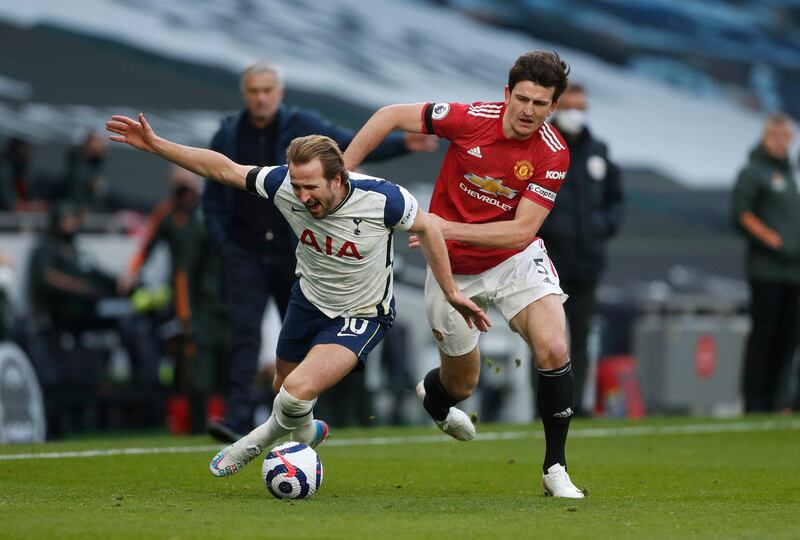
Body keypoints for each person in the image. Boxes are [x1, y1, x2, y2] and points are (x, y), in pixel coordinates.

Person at [105, 113, 489, 478]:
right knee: (284, 390)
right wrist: (157, 145)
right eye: (297, 186)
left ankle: (257, 441)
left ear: (339, 179)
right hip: (306, 300)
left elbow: (429, 229)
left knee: (295, 391)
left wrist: (451, 290)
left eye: (311, 187)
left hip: (362, 313)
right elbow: (223, 169)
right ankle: (306, 435)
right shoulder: (284, 186)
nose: (302, 196)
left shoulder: (384, 200)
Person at [343, 50, 585, 498]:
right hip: (452, 267)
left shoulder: (553, 153)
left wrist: (438, 225)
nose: (529, 111)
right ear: (507, 94)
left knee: (553, 347)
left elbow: (522, 229)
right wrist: (343, 172)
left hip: (515, 259)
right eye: (523, 99)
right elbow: (390, 115)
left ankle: (555, 469)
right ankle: (435, 399)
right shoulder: (470, 118)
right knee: (462, 384)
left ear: (554, 107)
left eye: (541, 103)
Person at [203, 61, 437, 442]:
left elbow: (345, 152)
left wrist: (399, 145)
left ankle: (309, 414)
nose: (261, 97)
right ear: (245, 94)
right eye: (253, 91)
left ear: (279, 93)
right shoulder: (229, 133)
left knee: (307, 355)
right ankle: (237, 415)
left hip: (291, 254)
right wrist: (222, 243)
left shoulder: (303, 127)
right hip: (243, 251)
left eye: (267, 90)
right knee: (245, 334)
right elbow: (219, 181)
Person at [122, 167, 229, 433]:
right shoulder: (167, 214)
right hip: (182, 295)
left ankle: (220, 420)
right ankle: (182, 420)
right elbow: (147, 246)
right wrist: (131, 275)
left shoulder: (207, 214)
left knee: (217, 362)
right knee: (184, 363)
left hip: (213, 298)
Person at [539, 84, 623, 415]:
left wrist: (604, 227)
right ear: (558, 108)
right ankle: (544, 408)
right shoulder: (543, 146)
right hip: (551, 262)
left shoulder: (597, 150)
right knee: (548, 340)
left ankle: (576, 406)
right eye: (571, 107)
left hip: (588, 261)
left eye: (582, 107)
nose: (577, 114)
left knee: (582, 337)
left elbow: (615, 198)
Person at [732, 113, 800, 413]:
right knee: (764, 335)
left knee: (788, 337)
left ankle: (777, 400)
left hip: (794, 271)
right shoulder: (754, 171)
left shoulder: (791, 174)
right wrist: (770, 238)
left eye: (788, 136)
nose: (783, 142)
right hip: (767, 270)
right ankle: (755, 401)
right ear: (765, 137)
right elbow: (741, 213)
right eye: (778, 135)